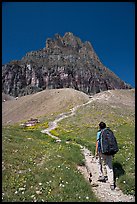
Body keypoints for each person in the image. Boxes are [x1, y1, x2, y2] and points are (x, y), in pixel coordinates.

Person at [95, 122, 115, 190]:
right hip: (109, 151)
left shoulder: (99, 133)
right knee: (109, 167)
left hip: (102, 152)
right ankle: (112, 183)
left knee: (99, 162)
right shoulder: (109, 132)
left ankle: (101, 176)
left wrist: (96, 152)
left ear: (99, 127)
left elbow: (97, 142)